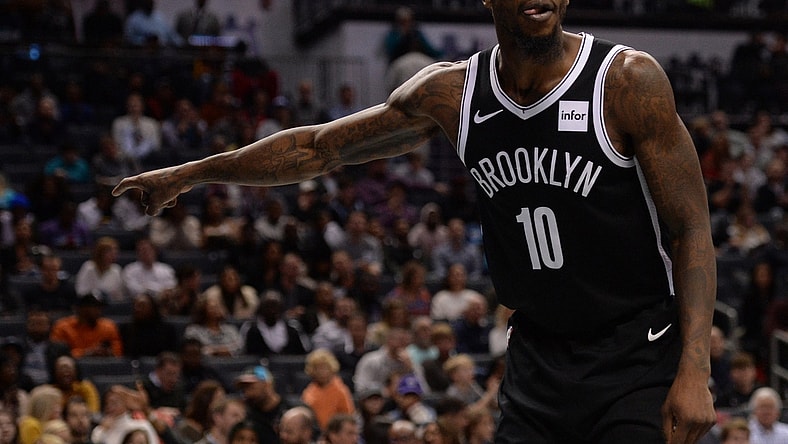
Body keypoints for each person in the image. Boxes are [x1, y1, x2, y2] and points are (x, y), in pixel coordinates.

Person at [111, 1, 717, 441]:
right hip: (538, 357)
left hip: (636, 349)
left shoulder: (625, 81)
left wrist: (695, 368)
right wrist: (190, 173)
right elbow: (319, 147)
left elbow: (690, 229)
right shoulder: (451, 94)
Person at [49, 293, 123, 358]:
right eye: (94, 307)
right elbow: (58, 355)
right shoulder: (62, 327)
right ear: (81, 308)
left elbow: (118, 353)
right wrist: (86, 353)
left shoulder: (109, 327)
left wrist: (107, 353)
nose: (98, 310)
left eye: (100, 307)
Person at [300, 349, 354, 431]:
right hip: (314, 431)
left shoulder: (341, 390)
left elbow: (348, 416)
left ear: (332, 369)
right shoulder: (308, 391)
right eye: (317, 368)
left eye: (325, 368)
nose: (321, 372)